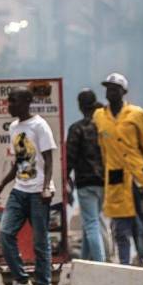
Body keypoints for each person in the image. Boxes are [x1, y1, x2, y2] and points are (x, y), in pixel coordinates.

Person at [92, 73, 143, 265]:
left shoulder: (136, 114)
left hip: (137, 179)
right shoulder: (99, 116)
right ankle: (125, 268)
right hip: (116, 179)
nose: (110, 92)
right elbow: (102, 149)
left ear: (123, 92)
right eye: (108, 88)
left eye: (114, 88)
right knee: (121, 228)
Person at [0, 87, 57, 285]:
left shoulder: (39, 126)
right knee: (5, 233)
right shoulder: (13, 127)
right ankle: (21, 281)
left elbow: (48, 160)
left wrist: (46, 187)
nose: (9, 105)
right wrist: (2, 183)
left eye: (13, 101)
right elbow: (18, 162)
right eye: (8, 101)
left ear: (27, 102)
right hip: (19, 189)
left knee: (40, 240)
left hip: (38, 191)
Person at [65, 89, 106, 262]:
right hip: (104, 181)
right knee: (92, 222)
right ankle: (83, 265)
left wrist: (66, 180)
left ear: (80, 106)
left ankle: (100, 266)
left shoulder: (77, 128)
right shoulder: (104, 126)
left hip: (85, 182)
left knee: (90, 224)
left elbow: (70, 158)